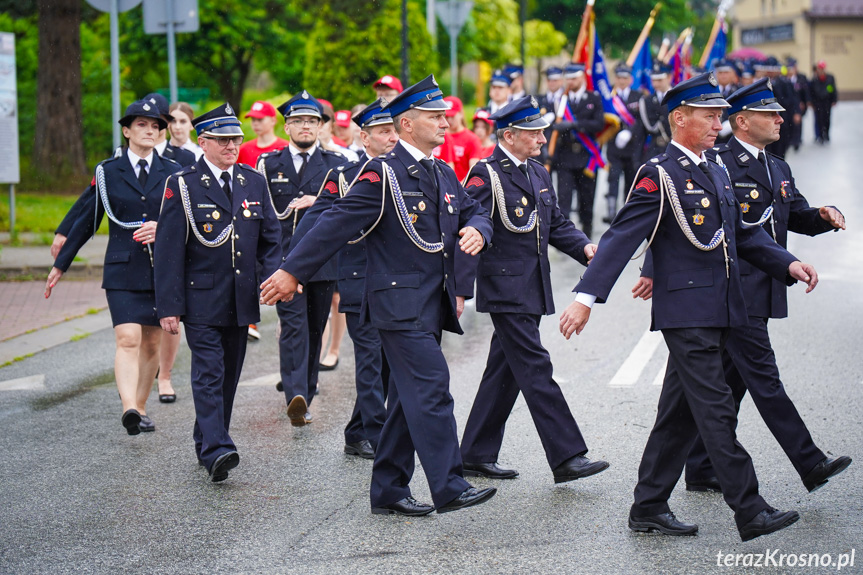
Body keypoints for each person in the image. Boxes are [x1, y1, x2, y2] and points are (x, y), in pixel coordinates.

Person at [558, 72, 819, 541]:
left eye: (721, 114)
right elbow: (621, 238)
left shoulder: (713, 169)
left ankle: (649, 506)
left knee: (678, 414)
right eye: (709, 114)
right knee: (717, 409)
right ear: (679, 118)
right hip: (686, 312)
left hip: (721, 306)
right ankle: (750, 508)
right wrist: (585, 299)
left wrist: (787, 263)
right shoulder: (659, 173)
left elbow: (741, 233)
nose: (719, 121)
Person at [260, 75, 497, 516]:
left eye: (444, 116)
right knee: (432, 387)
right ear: (407, 124)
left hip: (432, 303)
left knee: (409, 398)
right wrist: (292, 271)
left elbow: (475, 210)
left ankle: (388, 490)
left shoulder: (442, 171)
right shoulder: (382, 172)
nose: (445, 123)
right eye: (434, 116)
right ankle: (450, 484)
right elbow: (337, 221)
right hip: (396, 304)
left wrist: (477, 230)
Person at [668, 78, 850, 494]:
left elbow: (796, 215)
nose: (780, 119)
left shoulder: (778, 166)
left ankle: (699, 467)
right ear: (742, 121)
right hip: (731, 290)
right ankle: (810, 462)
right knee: (764, 380)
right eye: (770, 114)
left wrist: (823, 215)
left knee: (729, 384)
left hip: (763, 286)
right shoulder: (718, 163)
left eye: (778, 113)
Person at [455, 96, 610, 483]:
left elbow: (556, 223)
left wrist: (585, 248)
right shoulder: (484, 176)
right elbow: (469, 229)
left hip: (532, 286)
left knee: (503, 372)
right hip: (504, 289)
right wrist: (458, 290)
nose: (543, 137)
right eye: (535, 131)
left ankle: (475, 452)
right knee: (536, 369)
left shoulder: (538, 172)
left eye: (542, 130)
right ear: (509, 135)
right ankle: (567, 455)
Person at [154, 103, 281, 482]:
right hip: (202, 297)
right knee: (209, 373)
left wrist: (274, 277)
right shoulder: (183, 183)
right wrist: (169, 306)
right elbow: (169, 250)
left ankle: (206, 436)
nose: (232, 146)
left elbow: (270, 238)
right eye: (224, 140)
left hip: (241, 298)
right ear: (202, 141)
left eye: (236, 139)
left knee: (229, 376)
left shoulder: (251, 181)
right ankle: (218, 448)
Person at [45, 100, 181, 435]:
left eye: (155, 127)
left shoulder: (174, 171)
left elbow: (185, 219)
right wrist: (61, 264)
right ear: (126, 130)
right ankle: (128, 407)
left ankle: (142, 405)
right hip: (122, 267)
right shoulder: (107, 171)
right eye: (141, 126)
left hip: (160, 269)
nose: (150, 132)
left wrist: (161, 229)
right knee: (127, 337)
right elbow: (88, 220)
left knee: (151, 344)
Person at [293, 98, 399, 458]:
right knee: (370, 357)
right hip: (358, 280)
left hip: (397, 283)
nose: (393, 138)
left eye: (395, 130)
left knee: (386, 360)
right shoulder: (343, 176)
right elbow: (314, 225)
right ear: (364, 137)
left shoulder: (408, 173)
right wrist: (294, 270)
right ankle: (377, 433)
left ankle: (356, 431)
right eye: (384, 132)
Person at [257, 90, 348, 425]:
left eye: (312, 121)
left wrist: (318, 201)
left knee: (314, 326)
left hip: (322, 262)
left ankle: (305, 393)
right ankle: (294, 393)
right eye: (298, 121)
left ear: (322, 126)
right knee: (293, 325)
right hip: (282, 260)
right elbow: (262, 216)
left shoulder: (337, 165)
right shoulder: (268, 164)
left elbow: (349, 212)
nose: (306, 127)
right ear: (286, 127)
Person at [549, 63, 605, 237]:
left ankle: (586, 228)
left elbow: (599, 124)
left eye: (574, 78)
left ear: (582, 77)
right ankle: (565, 234)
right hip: (565, 156)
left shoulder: (593, 98)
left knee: (586, 197)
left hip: (586, 156)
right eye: (569, 78)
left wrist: (575, 125)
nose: (571, 82)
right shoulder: (561, 100)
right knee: (564, 197)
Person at [604, 64, 643, 223]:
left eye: (625, 78)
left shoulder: (638, 96)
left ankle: (628, 212)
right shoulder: (608, 96)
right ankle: (611, 212)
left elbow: (641, 120)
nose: (621, 81)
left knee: (631, 179)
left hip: (632, 146)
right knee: (613, 177)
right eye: (619, 78)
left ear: (631, 79)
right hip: (614, 146)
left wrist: (631, 132)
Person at [434, 96, 482, 182]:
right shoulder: (437, 136)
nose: (449, 120)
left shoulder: (472, 139)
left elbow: (474, 171)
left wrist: (458, 188)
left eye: (452, 116)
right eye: (446, 116)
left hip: (462, 187)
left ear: (461, 114)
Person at [144, 92, 196, 168]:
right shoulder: (127, 154)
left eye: (158, 119)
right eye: (143, 122)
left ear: (168, 122)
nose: (150, 126)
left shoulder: (186, 157)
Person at [237, 100, 288, 168]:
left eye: (260, 119)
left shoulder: (285, 148)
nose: (255, 123)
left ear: (273, 121)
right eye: (253, 119)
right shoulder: (243, 150)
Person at [638, 62, 672, 163]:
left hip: (675, 148)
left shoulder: (678, 98)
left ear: (669, 78)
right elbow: (649, 127)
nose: (656, 84)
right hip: (655, 149)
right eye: (653, 80)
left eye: (660, 80)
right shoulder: (647, 100)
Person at [810, 60, 838, 144]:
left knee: (827, 119)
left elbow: (833, 89)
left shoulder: (830, 78)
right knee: (819, 119)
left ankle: (827, 134)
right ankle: (820, 136)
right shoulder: (814, 79)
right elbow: (811, 92)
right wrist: (811, 102)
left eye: (822, 69)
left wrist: (834, 100)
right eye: (819, 69)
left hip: (827, 102)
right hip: (818, 103)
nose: (821, 71)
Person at [785, 58, 809, 151]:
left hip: (799, 103)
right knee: (790, 123)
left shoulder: (801, 78)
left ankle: (797, 141)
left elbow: (805, 91)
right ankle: (791, 139)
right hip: (788, 105)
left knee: (798, 123)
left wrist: (805, 102)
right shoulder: (786, 79)